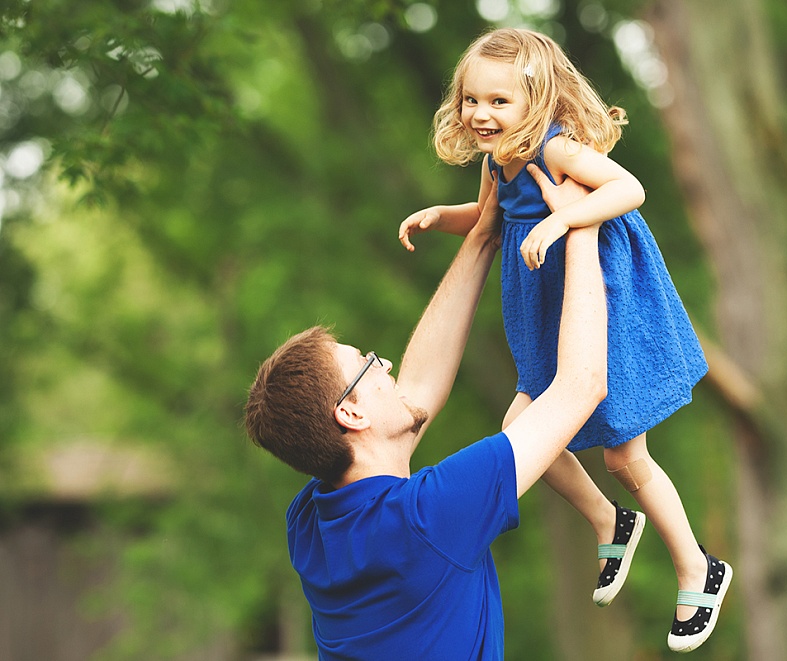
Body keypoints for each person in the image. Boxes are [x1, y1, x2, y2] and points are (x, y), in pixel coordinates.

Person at [397, 27, 731, 653]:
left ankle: (697, 567)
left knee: (624, 458)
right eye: (472, 100)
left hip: (601, 303)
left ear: (537, 102)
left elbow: (628, 189)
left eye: (500, 101)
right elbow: (495, 217)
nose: (481, 114)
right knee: (525, 439)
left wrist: (564, 219)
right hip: (546, 312)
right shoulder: (501, 163)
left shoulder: (559, 151)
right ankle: (611, 521)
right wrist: (444, 218)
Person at [244, 175, 607, 659]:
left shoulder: (312, 525)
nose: (385, 364)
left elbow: (416, 392)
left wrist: (483, 233)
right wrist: (581, 223)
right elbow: (580, 386)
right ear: (350, 412)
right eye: (367, 364)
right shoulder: (428, 516)